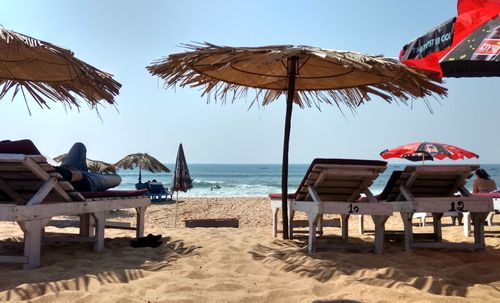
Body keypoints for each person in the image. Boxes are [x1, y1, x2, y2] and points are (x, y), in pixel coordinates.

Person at [55, 142, 122, 192]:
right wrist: (71, 174)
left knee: (79, 146)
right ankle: (91, 178)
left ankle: (89, 175)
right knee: (117, 178)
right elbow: (76, 176)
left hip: (65, 171)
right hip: (80, 181)